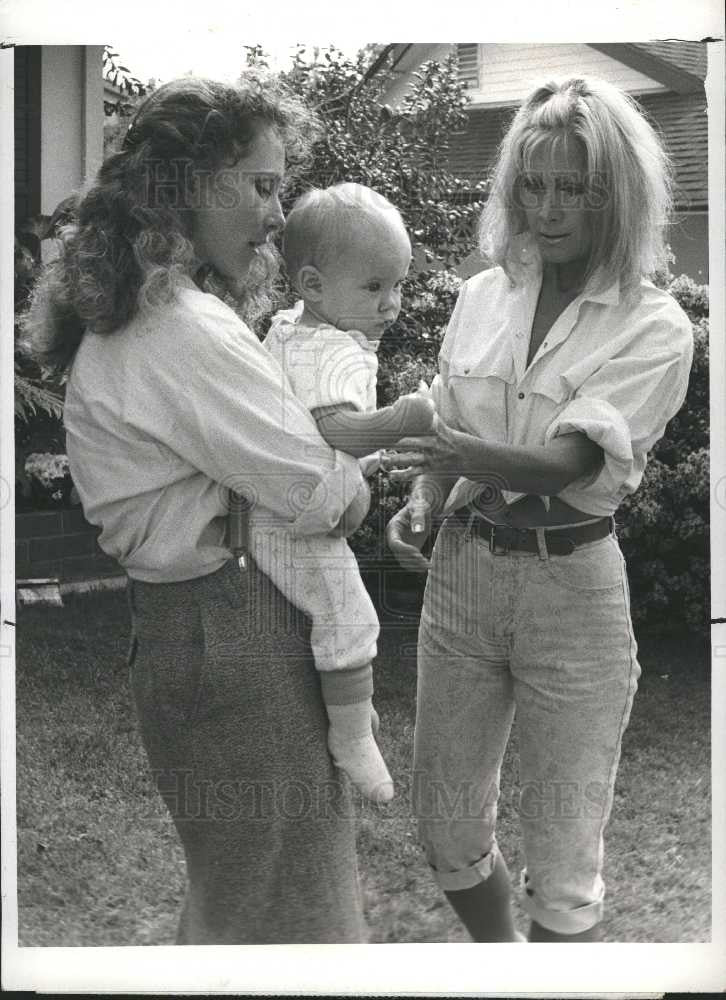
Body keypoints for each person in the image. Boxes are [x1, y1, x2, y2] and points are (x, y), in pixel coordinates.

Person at [24, 75, 376, 944]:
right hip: (239, 631)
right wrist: (358, 479)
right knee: (296, 916)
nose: (276, 211)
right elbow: (326, 494)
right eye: (260, 185)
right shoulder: (184, 329)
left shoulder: (134, 316)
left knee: (241, 898)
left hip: (187, 630)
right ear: (186, 185)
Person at [385, 76, 694, 942]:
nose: (550, 208)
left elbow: (569, 462)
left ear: (617, 199)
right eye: (534, 183)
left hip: (574, 596)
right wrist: (424, 498)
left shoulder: (655, 325)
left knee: (563, 865)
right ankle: (507, 962)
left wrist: (458, 458)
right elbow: (450, 418)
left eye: (578, 190)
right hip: (465, 579)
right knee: (445, 829)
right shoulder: (484, 296)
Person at [251, 182, 435, 804]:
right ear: (311, 284)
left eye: (398, 285)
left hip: (275, 506)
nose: (392, 304)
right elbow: (339, 431)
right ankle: (352, 733)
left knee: (328, 618)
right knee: (349, 613)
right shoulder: (332, 351)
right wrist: (403, 420)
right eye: (374, 287)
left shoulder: (292, 330)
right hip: (294, 519)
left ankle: (345, 707)